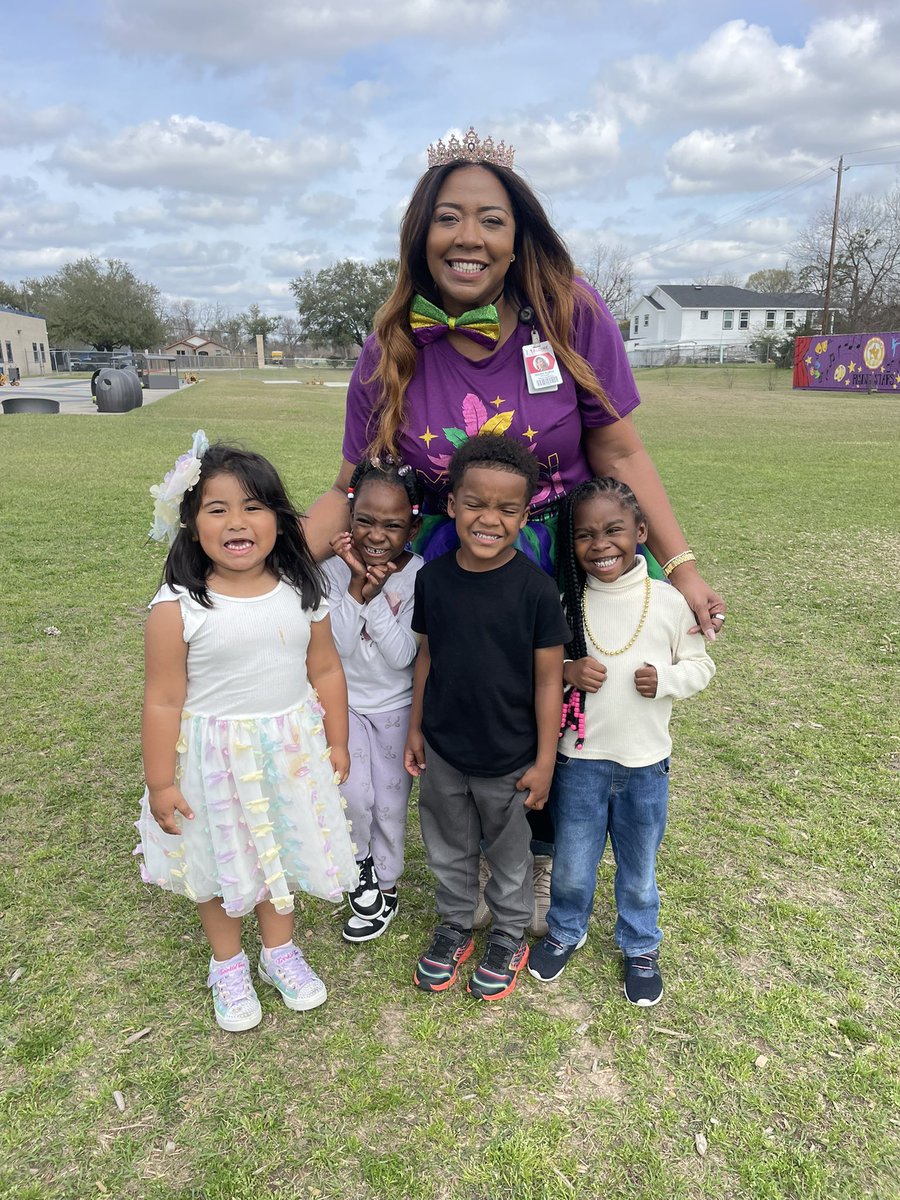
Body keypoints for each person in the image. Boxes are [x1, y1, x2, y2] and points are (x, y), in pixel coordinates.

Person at [303, 126, 727, 932]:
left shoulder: (570, 312)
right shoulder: (390, 344)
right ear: (420, 233)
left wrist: (682, 564)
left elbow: (620, 446)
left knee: (555, 708)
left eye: (492, 219)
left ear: (518, 232)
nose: (470, 237)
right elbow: (352, 482)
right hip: (445, 557)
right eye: (450, 217)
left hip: (554, 554)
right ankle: (455, 854)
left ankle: (533, 860)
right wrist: (264, 567)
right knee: (462, 701)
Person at [136, 434, 358, 1032]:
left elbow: (326, 668)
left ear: (279, 520)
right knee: (219, 862)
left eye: (253, 506)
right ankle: (228, 964)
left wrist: (337, 740)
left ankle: (279, 952)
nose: (238, 521)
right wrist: (160, 784)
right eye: (217, 508)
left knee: (275, 852)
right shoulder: (177, 606)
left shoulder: (301, 590)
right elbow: (161, 700)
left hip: (286, 752)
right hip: (208, 762)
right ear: (190, 522)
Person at [527, 478, 716, 1006]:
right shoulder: (568, 600)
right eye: (585, 535)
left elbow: (702, 666)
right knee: (572, 862)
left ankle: (639, 944)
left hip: (645, 764)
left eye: (614, 530)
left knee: (638, 868)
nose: (601, 544)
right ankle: (566, 929)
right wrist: (567, 669)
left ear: (641, 531)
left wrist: (668, 678)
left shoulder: (671, 601)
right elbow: (541, 668)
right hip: (579, 761)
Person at [404, 436, 571, 1001]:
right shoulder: (432, 580)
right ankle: (454, 922)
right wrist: (415, 727)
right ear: (451, 505)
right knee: (448, 845)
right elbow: (427, 655)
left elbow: (550, 679)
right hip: (446, 749)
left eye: (507, 509)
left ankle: (508, 932)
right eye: (476, 503)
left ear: (525, 517)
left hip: (511, 757)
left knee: (508, 854)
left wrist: (545, 761)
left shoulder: (537, 591)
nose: (489, 519)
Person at [322, 457, 424, 942]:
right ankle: (362, 867)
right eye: (364, 520)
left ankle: (387, 880)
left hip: (396, 708)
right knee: (353, 795)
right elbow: (335, 648)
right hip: (344, 706)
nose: (376, 535)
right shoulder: (330, 572)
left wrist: (377, 598)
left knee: (389, 803)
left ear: (413, 527)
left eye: (392, 525)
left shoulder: (420, 577)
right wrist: (356, 591)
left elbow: (405, 655)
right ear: (349, 516)